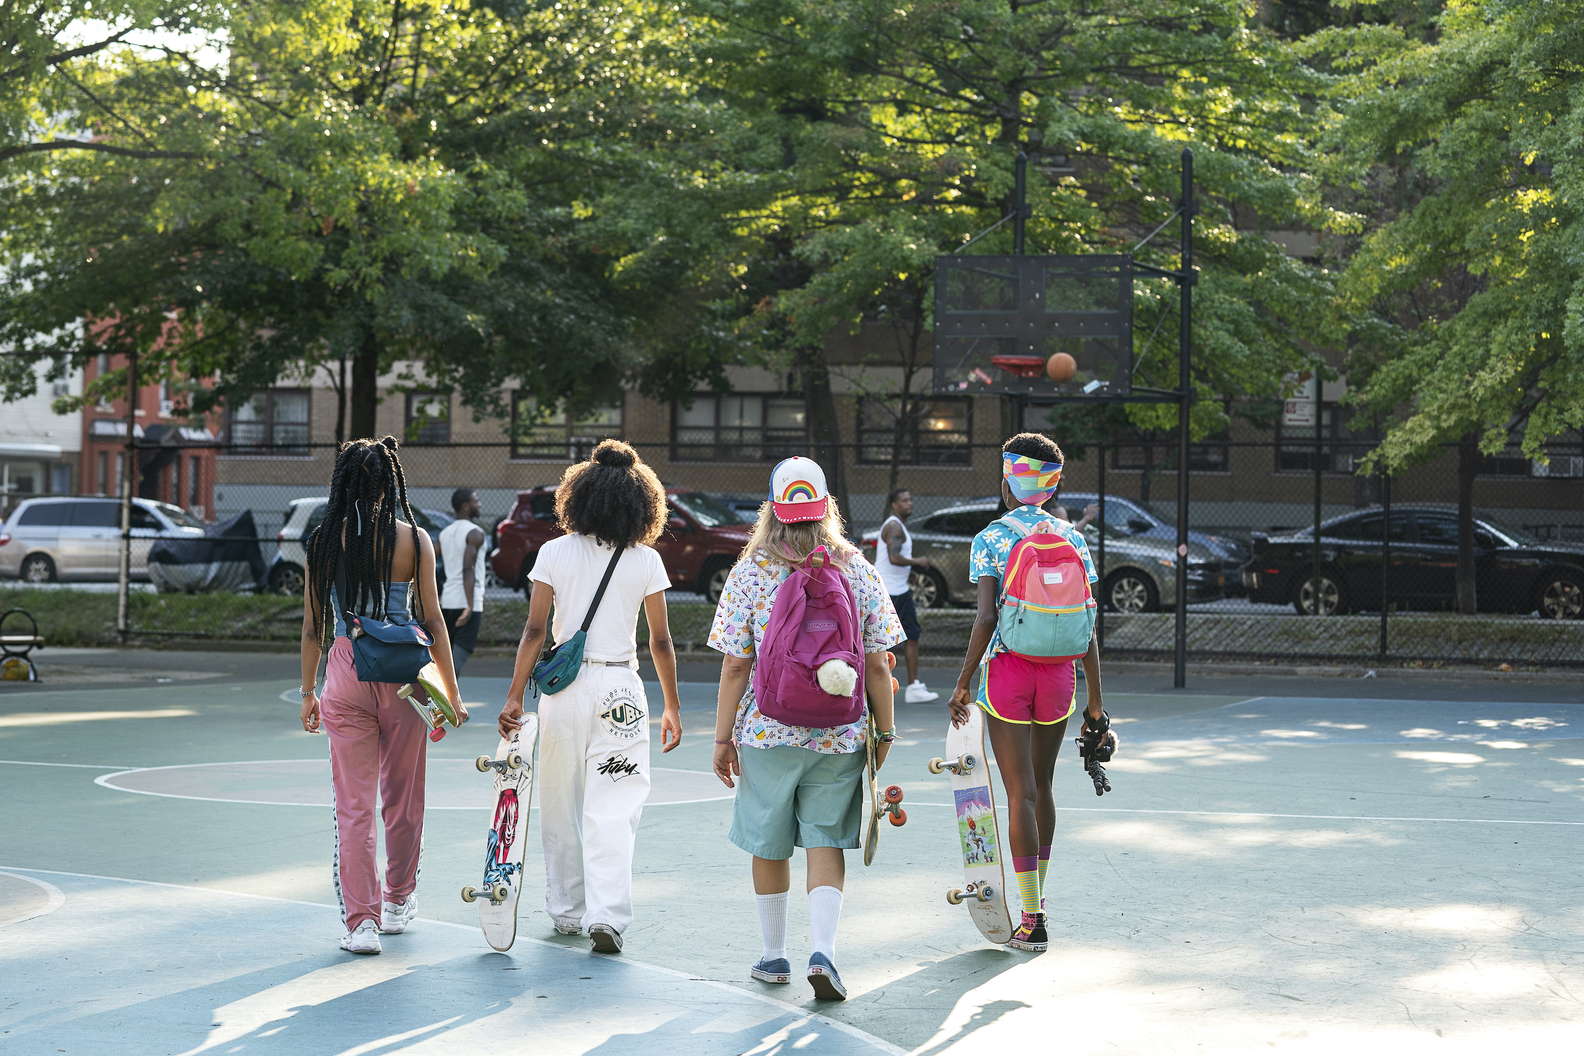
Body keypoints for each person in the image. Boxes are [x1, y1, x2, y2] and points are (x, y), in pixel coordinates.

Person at [709, 456, 902, 1001]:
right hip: (840, 733)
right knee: (826, 839)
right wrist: (882, 733)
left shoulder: (750, 571)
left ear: (773, 508)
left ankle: (774, 957)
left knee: (769, 841)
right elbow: (882, 662)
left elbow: (734, 664)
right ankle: (825, 954)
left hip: (767, 729)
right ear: (826, 509)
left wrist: (723, 738)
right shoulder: (857, 569)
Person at [499, 440, 682, 954]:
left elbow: (535, 631)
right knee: (614, 807)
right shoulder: (645, 559)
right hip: (622, 687)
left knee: (560, 802)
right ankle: (609, 916)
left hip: (564, 690)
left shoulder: (553, 553)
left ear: (576, 498)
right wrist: (670, 704)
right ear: (641, 504)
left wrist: (515, 698)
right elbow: (660, 641)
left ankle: (566, 912)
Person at [298, 437, 465, 956]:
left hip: (347, 670)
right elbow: (433, 620)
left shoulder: (325, 541)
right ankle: (397, 901)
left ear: (343, 483)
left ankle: (361, 924)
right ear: (389, 483)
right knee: (404, 796)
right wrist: (452, 695)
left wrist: (309, 692)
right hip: (405, 675)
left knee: (354, 807)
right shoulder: (415, 539)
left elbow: (313, 628)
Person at [948, 432, 1107, 954]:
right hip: (1061, 676)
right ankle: (1037, 909)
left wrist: (964, 680)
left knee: (1018, 792)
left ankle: (1030, 917)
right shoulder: (1075, 540)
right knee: (1043, 785)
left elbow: (988, 616)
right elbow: (1086, 621)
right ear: (1053, 484)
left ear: (1007, 482)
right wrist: (1095, 703)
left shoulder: (991, 537)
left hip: (1010, 673)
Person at [877, 487, 938, 703]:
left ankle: (913, 687)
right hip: (890, 592)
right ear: (894, 505)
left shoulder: (897, 525)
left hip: (898, 589)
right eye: (904, 500)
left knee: (911, 636)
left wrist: (909, 573)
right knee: (882, 641)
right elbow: (894, 558)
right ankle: (876, 686)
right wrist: (918, 562)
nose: (909, 503)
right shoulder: (894, 526)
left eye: (910, 499)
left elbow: (892, 559)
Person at [438, 488, 488, 674]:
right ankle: (448, 700)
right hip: (466, 602)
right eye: (476, 501)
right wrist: (469, 606)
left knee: (446, 661)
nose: (479, 504)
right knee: (455, 663)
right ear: (466, 506)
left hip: (448, 602)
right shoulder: (475, 533)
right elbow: (468, 569)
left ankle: (442, 699)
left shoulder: (444, 534)